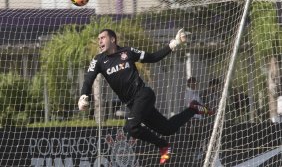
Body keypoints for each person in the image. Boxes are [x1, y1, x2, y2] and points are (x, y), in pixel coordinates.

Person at [78, 28, 213, 164]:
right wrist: (84, 96)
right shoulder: (99, 60)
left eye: (102, 38)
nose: (99, 41)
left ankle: (162, 145)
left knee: (131, 127)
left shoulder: (127, 52)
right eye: (98, 39)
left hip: (144, 95)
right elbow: (89, 79)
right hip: (133, 104)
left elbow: (153, 57)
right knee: (168, 128)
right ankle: (193, 109)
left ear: (112, 39)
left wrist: (175, 42)